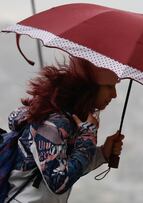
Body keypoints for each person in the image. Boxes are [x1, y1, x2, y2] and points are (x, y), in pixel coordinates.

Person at [5, 57, 124, 203]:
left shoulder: (68, 118)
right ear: (91, 86)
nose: (114, 94)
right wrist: (87, 137)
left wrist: (102, 154)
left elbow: (67, 164)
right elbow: (59, 180)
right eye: (109, 86)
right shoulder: (52, 124)